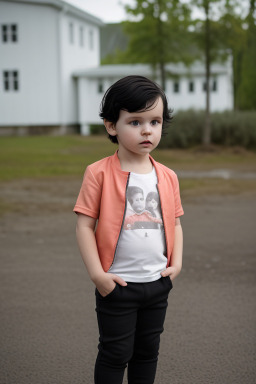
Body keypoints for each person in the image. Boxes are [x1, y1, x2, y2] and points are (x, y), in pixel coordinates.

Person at [74, 75, 184, 384]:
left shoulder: (168, 176)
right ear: (112, 126)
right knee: (115, 353)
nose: (147, 129)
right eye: (135, 122)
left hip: (157, 282)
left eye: (155, 121)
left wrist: (176, 265)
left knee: (147, 352)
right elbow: (84, 225)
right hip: (118, 284)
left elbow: (175, 222)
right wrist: (98, 276)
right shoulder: (98, 173)